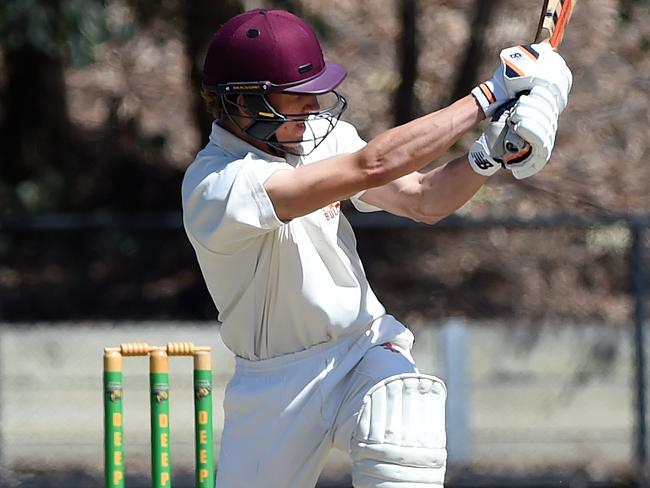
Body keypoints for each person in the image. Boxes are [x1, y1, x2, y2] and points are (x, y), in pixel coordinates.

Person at [182, 8, 571, 488]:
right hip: (272, 385)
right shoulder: (217, 185)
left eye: (314, 93)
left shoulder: (314, 142)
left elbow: (425, 200)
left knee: (403, 425)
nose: (313, 106)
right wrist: (489, 96)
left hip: (358, 350)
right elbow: (373, 165)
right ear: (245, 103)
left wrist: (488, 155)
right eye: (297, 97)